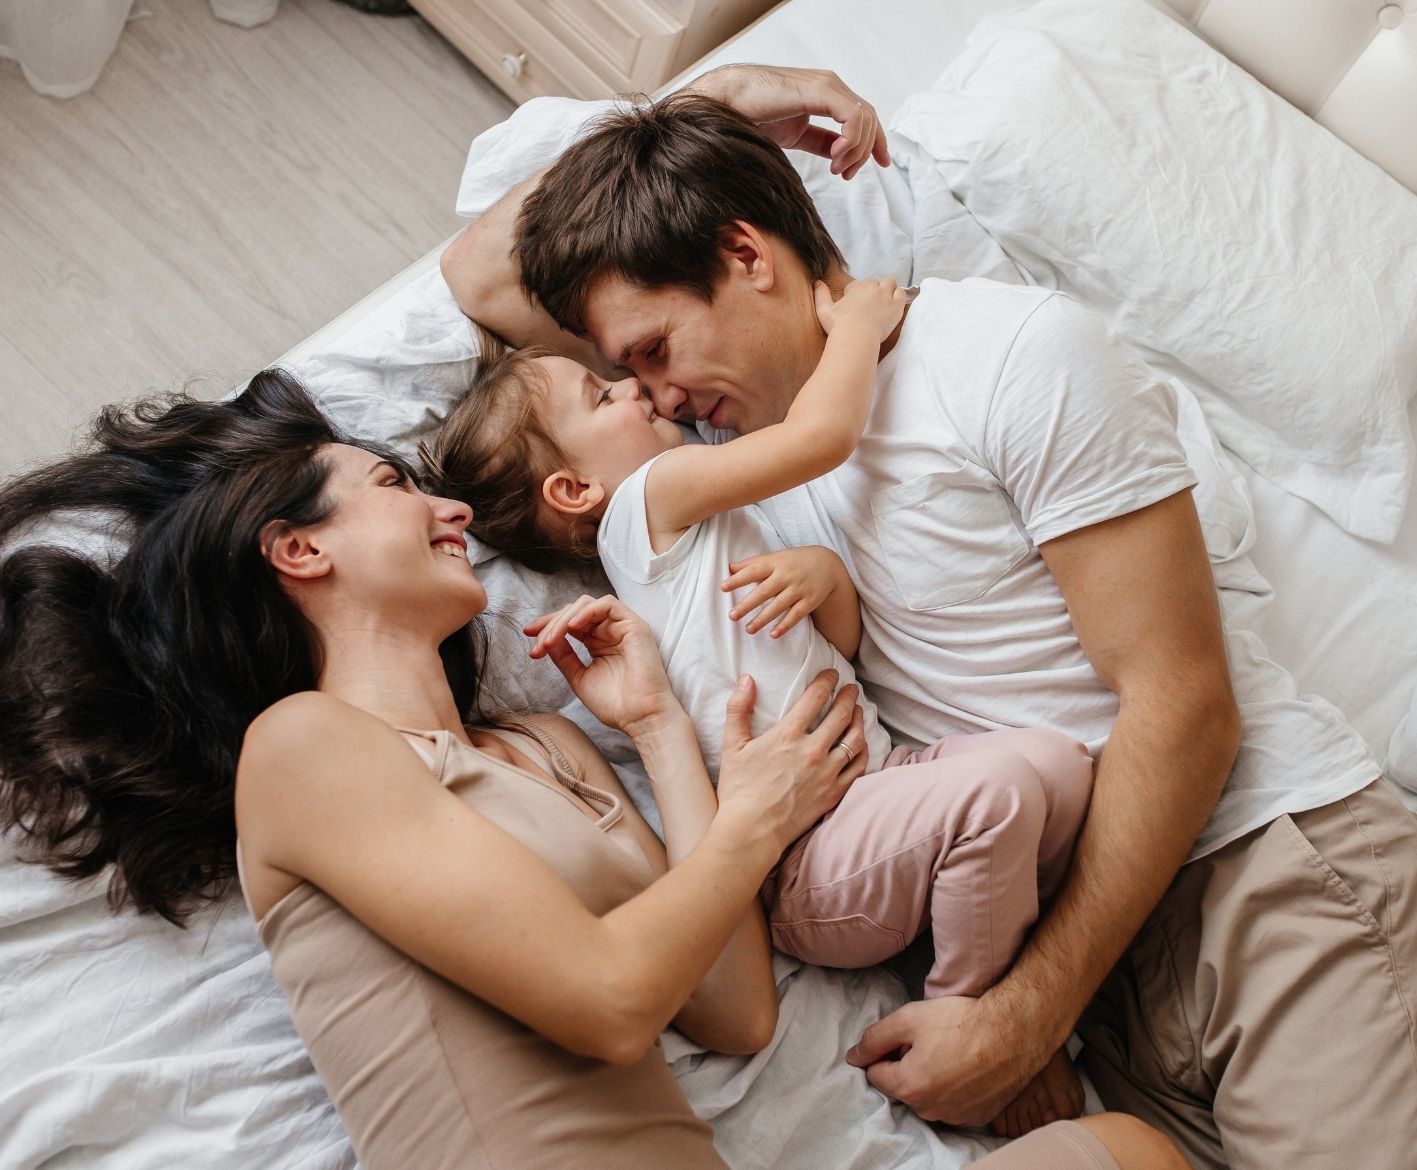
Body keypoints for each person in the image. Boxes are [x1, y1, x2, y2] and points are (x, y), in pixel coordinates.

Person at [442, 88, 1417, 1170]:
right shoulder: (718, 498)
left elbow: (1187, 708)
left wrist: (1022, 1014)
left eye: (651, 353)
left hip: (1251, 874)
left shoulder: (1007, 355)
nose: (656, 397)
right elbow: (480, 282)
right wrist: (709, 114)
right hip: (1078, 949)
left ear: (746, 252)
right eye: (623, 377)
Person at [0, 371, 1188, 1170]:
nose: (452, 507)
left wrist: (663, 726)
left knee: (1127, 1152)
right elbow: (614, 1004)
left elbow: (732, 1010)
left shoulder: (547, 745)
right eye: (396, 488)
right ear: (299, 549)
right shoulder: (302, 750)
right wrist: (753, 824)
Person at [424, 274, 1095, 1133]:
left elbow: (842, 646)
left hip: (883, 782)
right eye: (603, 394)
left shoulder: (705, 532)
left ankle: (972, 915)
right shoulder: (648, 503)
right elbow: (823, 436)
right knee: (1000, 793)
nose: (634, 386)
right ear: (574, 491)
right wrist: (858, 330)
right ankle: (965, 1014)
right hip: (811, 862)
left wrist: (824, 575)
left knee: (1062, 768)